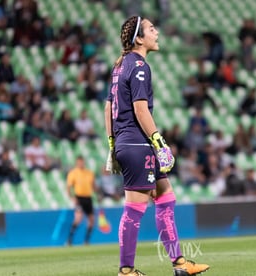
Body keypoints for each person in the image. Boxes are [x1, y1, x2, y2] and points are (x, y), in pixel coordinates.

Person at [104, 16, 209, 276]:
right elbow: (140, 108)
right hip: (138, 143)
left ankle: (181, 265)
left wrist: (111, 144)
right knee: (134, 210)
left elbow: (108, 107)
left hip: (130, 142)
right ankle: (126, 271)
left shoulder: (119, 66)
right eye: (151, 29)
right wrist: (159, 142)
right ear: (139, 38)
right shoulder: (139, 65)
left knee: (165, 197)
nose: (156, 32)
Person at [66, 156, 98, 245]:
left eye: (82, 162)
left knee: (91, 220)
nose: (81, 164)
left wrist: (98, 193)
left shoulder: (89, 173)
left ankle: (86, 240)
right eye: (79, 162)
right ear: (77, 163)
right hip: (79, 198)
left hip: (88, 198)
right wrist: (72, 197)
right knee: (78, 218)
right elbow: (68, 187)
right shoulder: (73, 173)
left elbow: (93, 186)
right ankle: (69, 239)